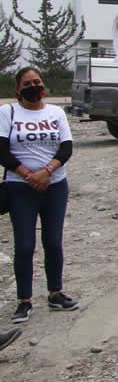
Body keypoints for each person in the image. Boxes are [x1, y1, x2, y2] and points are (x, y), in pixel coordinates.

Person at [1, 67, 78, 323]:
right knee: (24, 245)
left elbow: (66, 147)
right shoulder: (7, 112)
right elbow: (1, 151)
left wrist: (46, 172)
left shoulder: (55, 112)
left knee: (53, 242)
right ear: (18, 89)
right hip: (20, 188)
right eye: (28, 83)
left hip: (55, 186)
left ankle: (55, 293)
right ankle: (24, 301)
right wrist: (28, 175)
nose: (35, 86)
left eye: (38, 81)